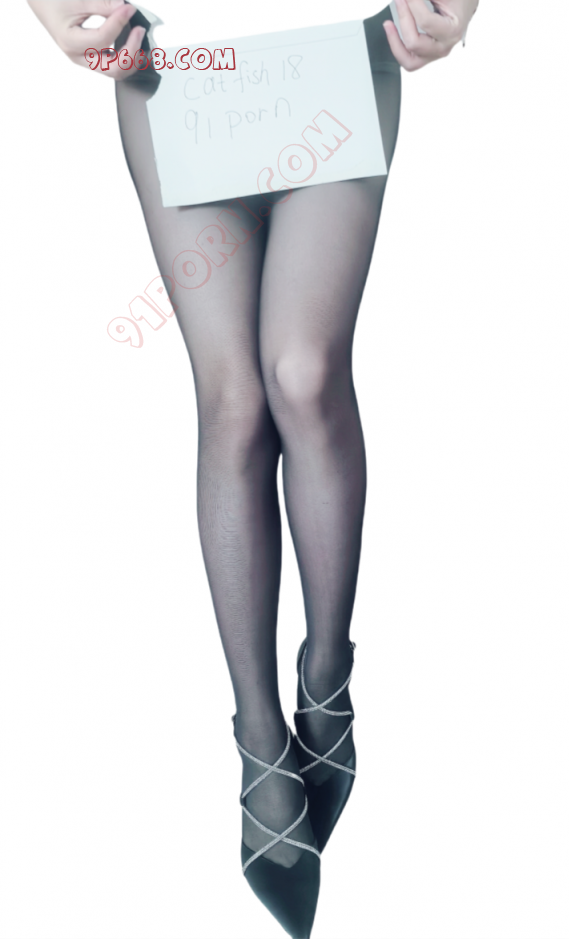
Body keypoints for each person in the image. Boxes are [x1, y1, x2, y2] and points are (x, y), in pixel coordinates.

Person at [26, 1, 480, 935]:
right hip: (178, 57)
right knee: (233, 402)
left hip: (336, 41)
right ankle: (260, 731)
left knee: (302, 372)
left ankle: (327, 670)